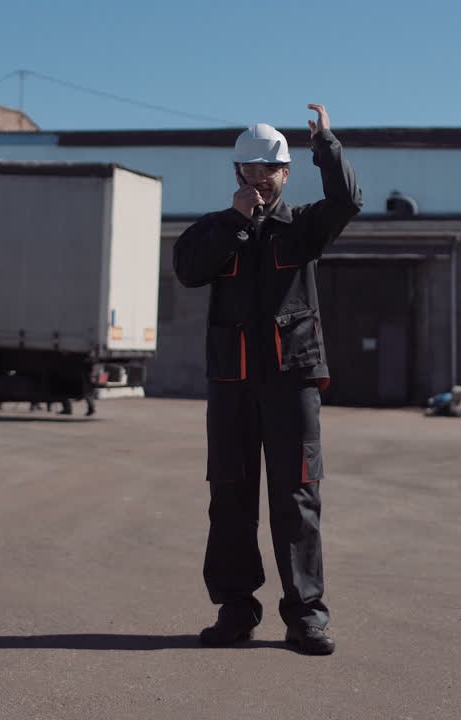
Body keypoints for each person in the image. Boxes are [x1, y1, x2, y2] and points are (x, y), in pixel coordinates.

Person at [173, 104, 362, 655]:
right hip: (231, 383)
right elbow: (187, 270)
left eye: (269, 169)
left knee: (296, 497)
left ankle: (306, 616)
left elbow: (348, 201)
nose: (258, 178)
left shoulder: (302, 228)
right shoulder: (216, 228)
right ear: (238, 174)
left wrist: (324, 142)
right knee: (229, 497)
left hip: (291, 380)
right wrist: (233, 222)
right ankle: (236, 610)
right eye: (249, 170)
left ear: (285, 171)